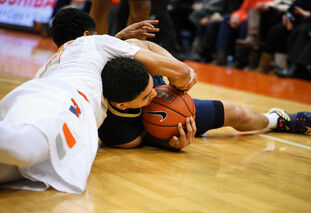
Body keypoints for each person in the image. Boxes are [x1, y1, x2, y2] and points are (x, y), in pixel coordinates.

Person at [0, 8, 196, 193]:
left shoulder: (52, 61)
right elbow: (180, 71)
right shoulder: (96, 42)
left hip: (39, 95)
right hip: (67, 98)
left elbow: (96, 53)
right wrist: (185, 78)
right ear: (87, 34)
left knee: (12, 168)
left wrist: (116, 38)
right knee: (23, 150)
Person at [98, 55, 311, 150]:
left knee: (235, 113)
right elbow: (145, 139)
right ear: (122, 105)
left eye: (151, 87)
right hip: (156, 125)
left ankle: (275, 119)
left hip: (172, 105)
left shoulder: (137, 62)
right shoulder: (118, 134)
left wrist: (180, 71)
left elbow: (145, 46)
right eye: (146, 96)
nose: (154, 94)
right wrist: (172, 144)